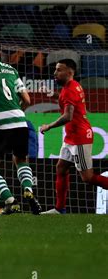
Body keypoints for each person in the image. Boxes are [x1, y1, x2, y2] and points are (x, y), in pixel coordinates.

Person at [0, 37, 42, 215]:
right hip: (20, 121)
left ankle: (11, 201)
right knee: (21, 160)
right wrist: (16, 113)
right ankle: (29, 190)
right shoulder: (11, 70)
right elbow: (27, 99)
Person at [40, 58, 108, 214]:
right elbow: (67, 102)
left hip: (79, 138)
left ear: (69, 72)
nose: (55, 73)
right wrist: (54, 94)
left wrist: (49, 126)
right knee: (61, 168)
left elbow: (68, 116)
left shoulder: (70, 89)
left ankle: (60, 208)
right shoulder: (71, 86)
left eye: (59, 70)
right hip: (71, 137)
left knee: (88, 178)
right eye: (55, 69)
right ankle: (59, 209)